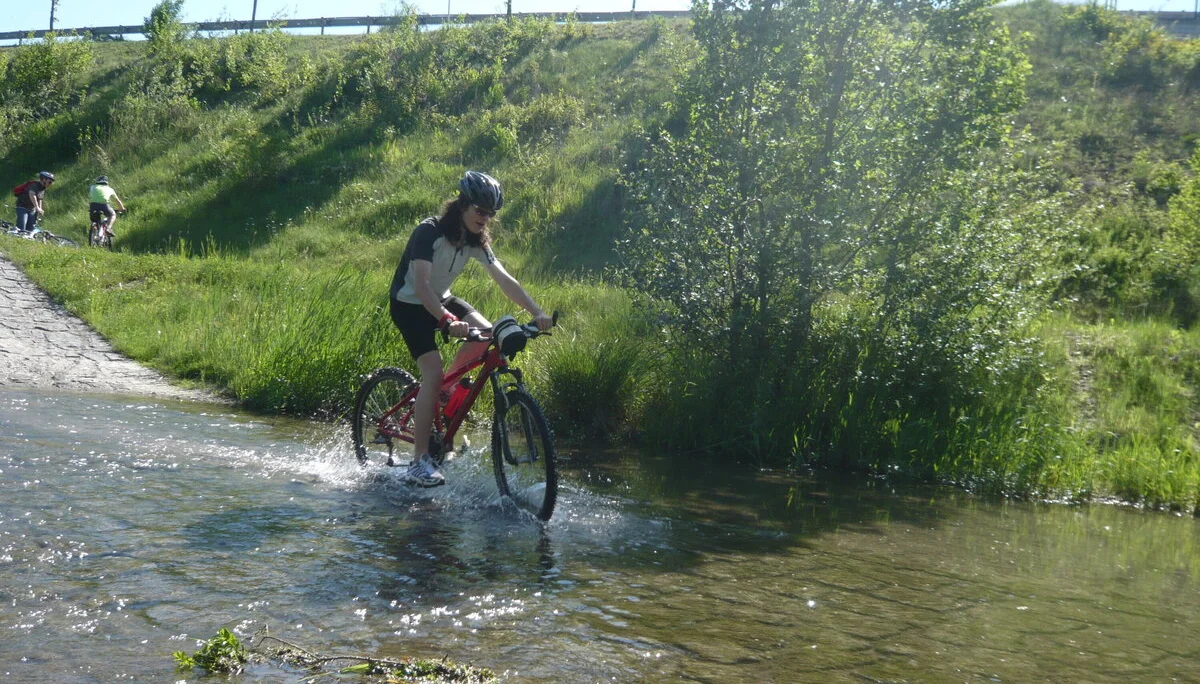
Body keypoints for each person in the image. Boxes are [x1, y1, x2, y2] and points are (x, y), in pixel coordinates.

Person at [388, 170, 553, 487]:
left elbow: (504, 279)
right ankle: (419, 461)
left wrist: (537, 312)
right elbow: (421, 285)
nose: (485, 218)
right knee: (432, 373)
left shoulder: (475, 240)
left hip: (441, 298)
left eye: (490, 214)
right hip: (409, 305)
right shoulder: (429, 232)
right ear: (462, 204)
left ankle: (443, 393)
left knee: (488, 334)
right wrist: (447, 320)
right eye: (480, 210)